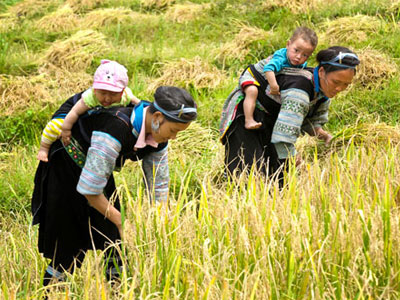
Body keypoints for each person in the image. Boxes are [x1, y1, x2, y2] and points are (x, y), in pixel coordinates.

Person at [31, 85, 197, 288]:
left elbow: (158, 183)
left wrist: (159, 222)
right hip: (66, 166)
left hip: (98, 168)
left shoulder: (158, 138)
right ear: (157, 118)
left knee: (115, 239)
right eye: (173, 130)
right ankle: (51, 292)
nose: (173, 137)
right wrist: (120, 220)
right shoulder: (115, 128)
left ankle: (116, 291)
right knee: (70, 241)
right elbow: (90, 190)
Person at [220, 46, 360, 183]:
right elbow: (283, 138)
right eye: (336, 82)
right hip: (247, 114)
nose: (339, 88)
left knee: (279, 181)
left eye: (346, 85)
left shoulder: (322, 91)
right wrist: (298, 161)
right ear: (322, 71)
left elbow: (310, 122)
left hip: (272, 119)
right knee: (249, 178)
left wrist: (323, 135)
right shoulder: (299, 93)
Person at [36, 59, 140, 162]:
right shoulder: (90, 97)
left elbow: (140, 106)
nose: (107, 98)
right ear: (95, 90)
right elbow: (75, 112)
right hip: (83, 114)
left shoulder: (126, 96)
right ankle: (44, 148)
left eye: (113, 94)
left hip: (103, 119)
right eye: (103, 93)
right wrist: (66, 129)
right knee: (55, 125)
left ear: (122, 92)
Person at [243, 26, 318, 130]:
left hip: (270, 79)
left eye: (305, 55)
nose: (299, 57)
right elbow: (268, 69)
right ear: (288, 44)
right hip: (253, 75)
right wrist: (274, 86)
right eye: (296, 50)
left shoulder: (301, 63)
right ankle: (248, 120)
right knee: (252, 91)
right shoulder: (281, 58)